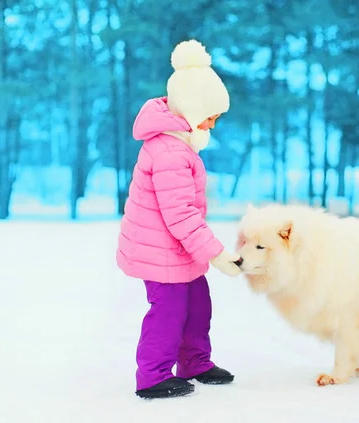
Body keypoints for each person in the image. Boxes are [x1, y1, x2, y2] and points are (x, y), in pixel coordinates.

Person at [116, 39, 242, 400]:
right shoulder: (169, 151)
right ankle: (153, 377)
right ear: (191, 109)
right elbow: (181, 216)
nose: (213, 124)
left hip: (178, 250)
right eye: (211, 115)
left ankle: (196, 363)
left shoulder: (178, 144)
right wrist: (216, 254)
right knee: (169, 313)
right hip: (160, 252)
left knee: (198, 305)